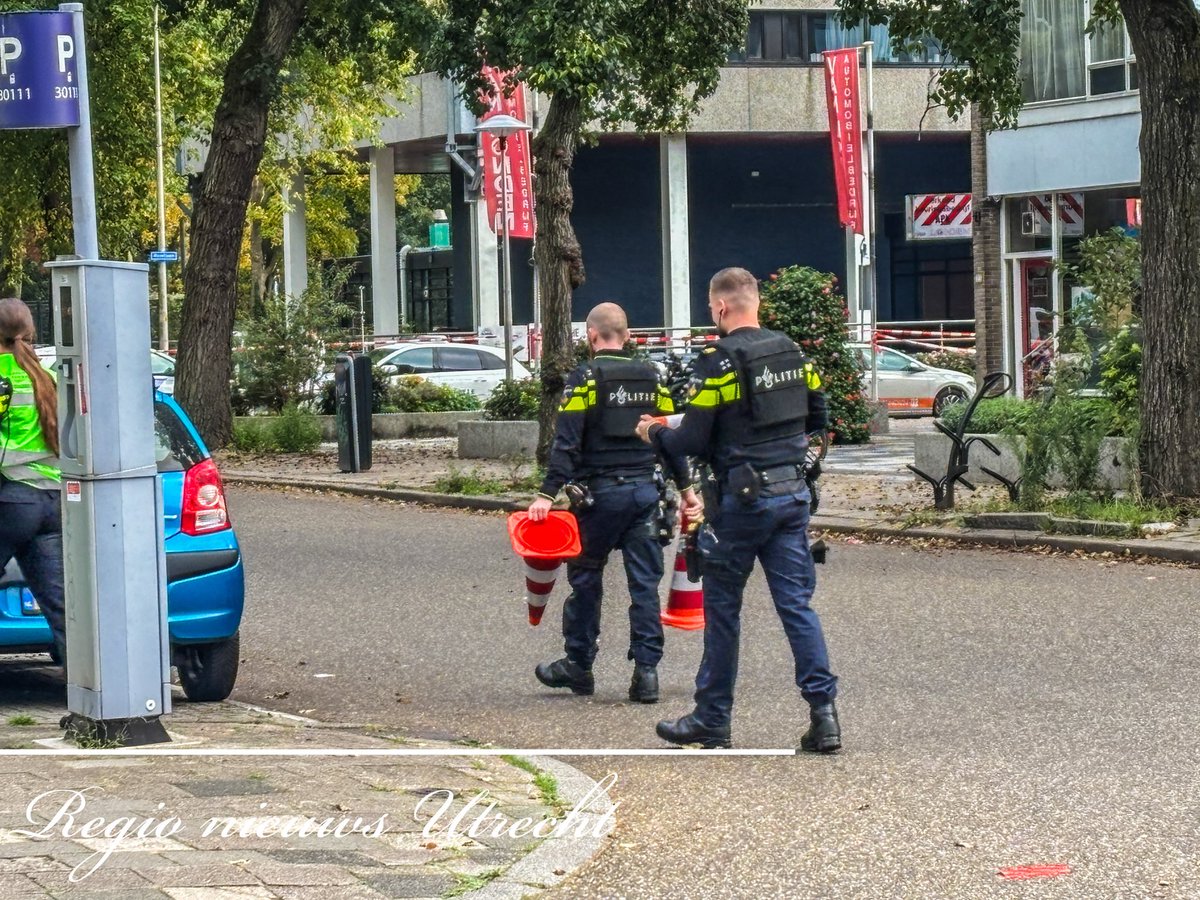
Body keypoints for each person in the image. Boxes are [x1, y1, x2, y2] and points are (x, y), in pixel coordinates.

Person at [635, 267, 840, 752]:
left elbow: (691, 439)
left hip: (740, 504)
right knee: (797, 607)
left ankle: (712, 718)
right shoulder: (792, 352)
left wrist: (654, 431)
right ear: (757, 303)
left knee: (724, 611)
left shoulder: (719, 362)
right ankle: (824, 716)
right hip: (791, 496)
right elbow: (819, 416)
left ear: (721, 307)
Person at [528, 302, 698, 703]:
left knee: (586, 579)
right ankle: (647, 674)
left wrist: (546, 494)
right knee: (644, 586)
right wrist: (687, 490)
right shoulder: (653, 377)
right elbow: (669, 439)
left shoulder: (584, 379)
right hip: (645, 496)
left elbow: (566, 443)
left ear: (591, 336)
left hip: (598, 500)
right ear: (628, 335)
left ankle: (579, 665)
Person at [0, 298, 66, 665]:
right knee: (63, 611)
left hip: (13, 499)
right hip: (52, 502)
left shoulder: (2, 375)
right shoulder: (47, 377)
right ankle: (91, 689)